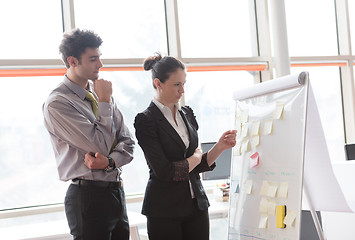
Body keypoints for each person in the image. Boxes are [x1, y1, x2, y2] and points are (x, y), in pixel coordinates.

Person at [42, 29, 135, 240]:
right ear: (73, 61)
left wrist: (109, 163)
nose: (100, 65)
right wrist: (104, 101)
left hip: (115, 192)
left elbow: (128, 143)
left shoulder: (99, 93)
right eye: (93, 59)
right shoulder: (58, 103)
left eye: (100, 58)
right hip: (88, 198)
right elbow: (100, 146)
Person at [134, 53, 237, 240]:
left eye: (184, 84)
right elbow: (165, 171)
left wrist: (220, 146)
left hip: (196, 205)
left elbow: (194, 167)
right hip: (164, 210)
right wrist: (196, 158)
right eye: (176, 85)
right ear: (158, 83)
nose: (182, 90)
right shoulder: (146, 120)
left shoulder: (187, 113)